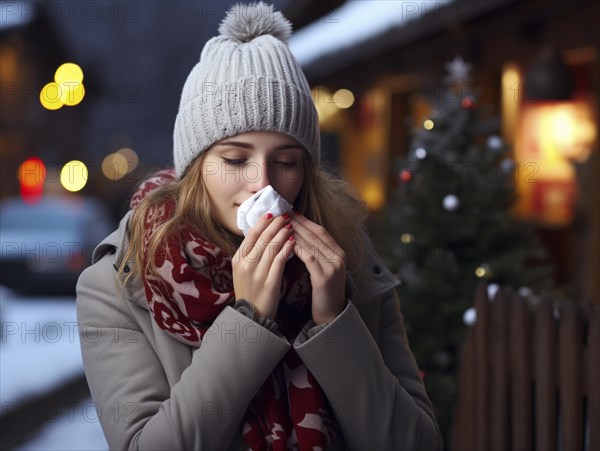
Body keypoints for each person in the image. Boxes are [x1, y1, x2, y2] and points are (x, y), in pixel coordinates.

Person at [76, 2, 442, 450]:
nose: (262, 183)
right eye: (234, 159)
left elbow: (417, 443)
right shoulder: (119, 285)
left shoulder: (352, 264)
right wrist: (247, 321)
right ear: (195, 167)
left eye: (286, 162)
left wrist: (333, 320)